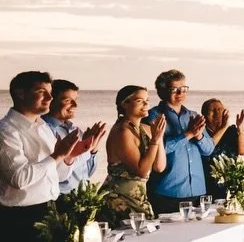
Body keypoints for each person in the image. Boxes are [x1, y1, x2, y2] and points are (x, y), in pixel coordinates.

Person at [0, 71, 106, 242]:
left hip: (50, 211)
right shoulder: (6, 131)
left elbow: (59, 175)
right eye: (42, 92)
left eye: (50, 92)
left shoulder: (42, 126)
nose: (50, 97)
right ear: (20, 93)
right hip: (20, 218)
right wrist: (57, 155)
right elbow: (19, 178)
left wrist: (71, 157)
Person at [147, 69, 214, 211]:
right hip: (168, 192)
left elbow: (209, 150)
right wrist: (188, 134)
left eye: (183, 88)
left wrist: (199, 136)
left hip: (198, 190)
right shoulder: (153, 116)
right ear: (163, 91)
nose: (181, 93)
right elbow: (157, 151)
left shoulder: (193, 115)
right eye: (175, 89)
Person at [100, 86, 168, 223]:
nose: (146, 104)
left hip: (139, 198)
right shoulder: (122, 131)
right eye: (139, 101)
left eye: (147, 100)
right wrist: (154, 140)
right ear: (125, 104)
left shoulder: (145, 129)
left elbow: (159, 167)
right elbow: (141, 171)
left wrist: (159, 137)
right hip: (120, 200)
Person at [43, 80, 99, 195]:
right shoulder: (45, 130)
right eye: (67, 100)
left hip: (82, 199)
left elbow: (88, 172)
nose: (75, 105)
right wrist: (85, 152)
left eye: (75, 100)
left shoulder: (75, 130)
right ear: (50, 101)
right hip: (60, 200)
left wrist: (93, 151)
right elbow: (55, 173)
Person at [201, 97, 244, 200]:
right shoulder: (201, 133)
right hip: (207, 186)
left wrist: (240, 129)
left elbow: (243, 150)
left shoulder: (231, 130)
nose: (217, 112)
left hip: (230, 186)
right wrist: (224, 126)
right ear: (204, 116)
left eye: (220, 109)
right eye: (213, 110)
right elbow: (208, 148)